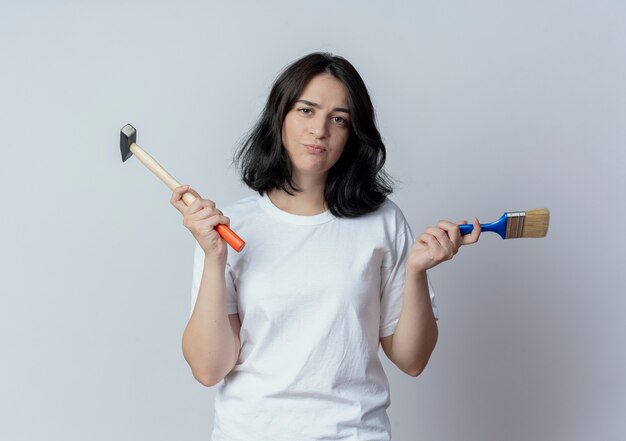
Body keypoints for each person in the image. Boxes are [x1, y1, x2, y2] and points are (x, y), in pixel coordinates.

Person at [170, 52, 481, 441]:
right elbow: (208, 368)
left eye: (339, 119)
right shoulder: (227, 229)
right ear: (279, 116)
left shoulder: (382, 221)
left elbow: (412, 360)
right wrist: (215, 258)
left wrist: (416, 271)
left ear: (353, 135)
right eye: (306, 110)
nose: (320, 130)